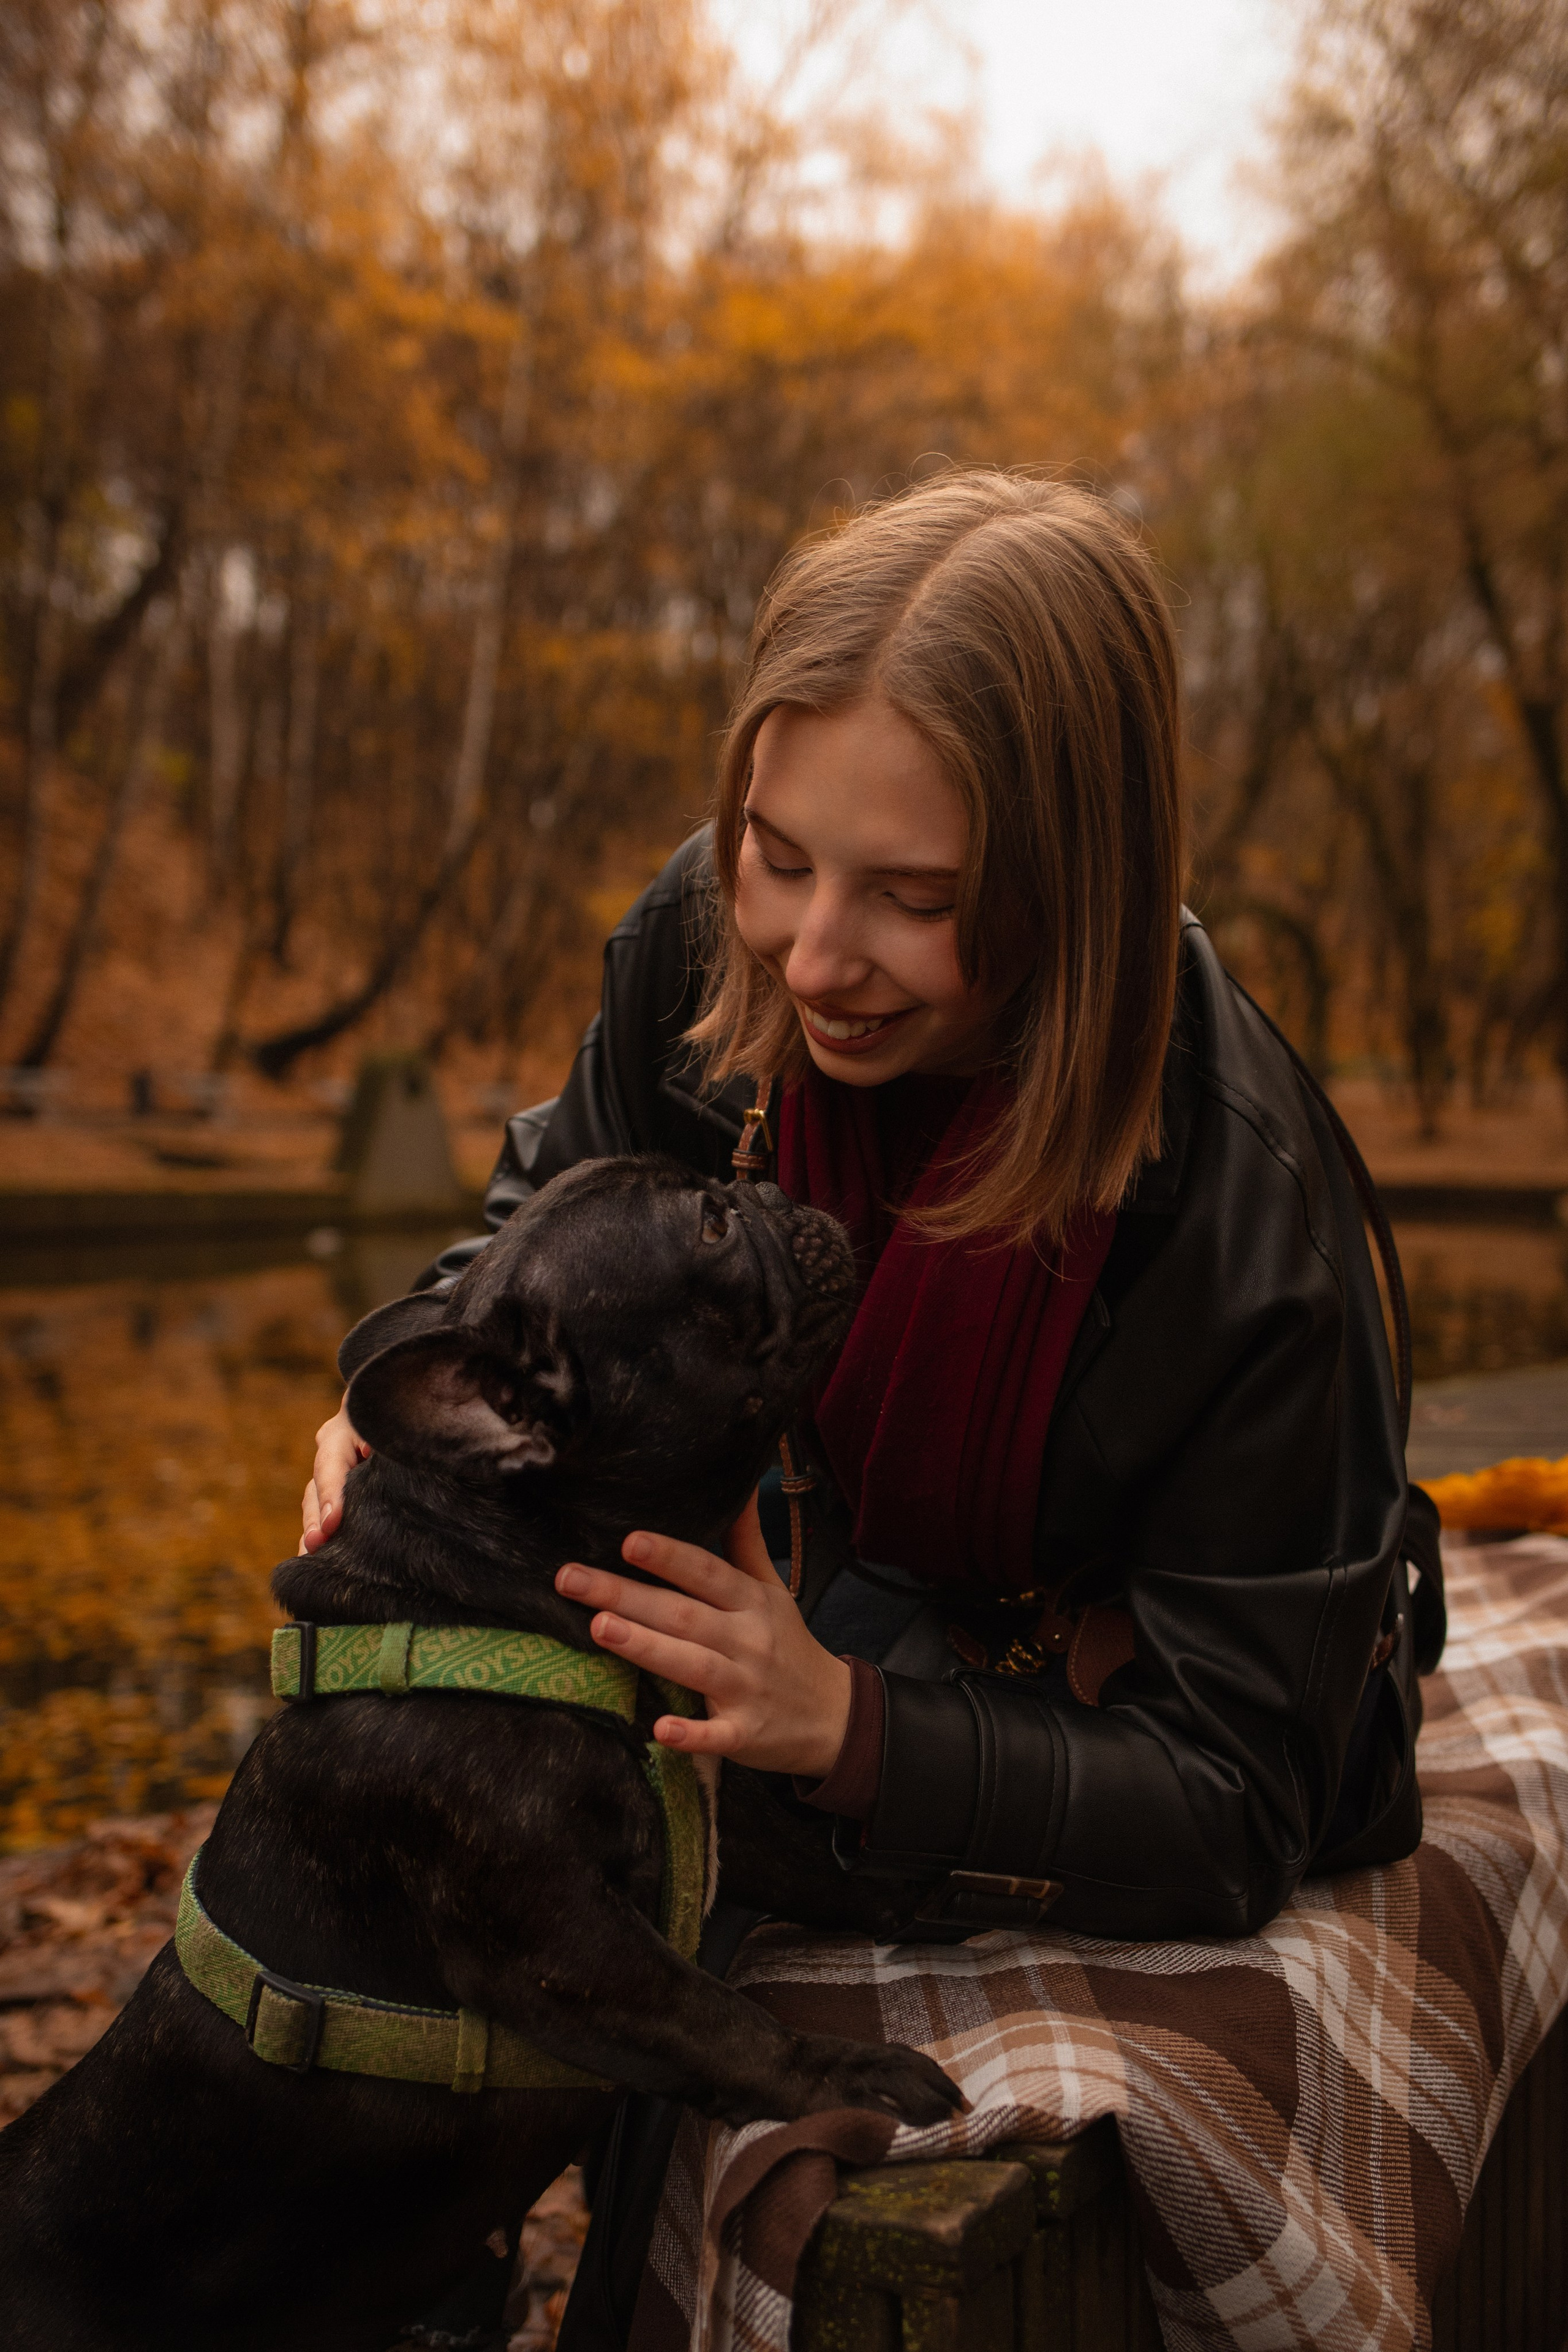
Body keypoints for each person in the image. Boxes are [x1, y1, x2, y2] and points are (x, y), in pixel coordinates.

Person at [300, 471, 1441, 2336]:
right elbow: (535, 1223)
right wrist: (401, 1398)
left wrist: (851, 1728)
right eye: (777, 855)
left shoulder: (1247, 1217)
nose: (812, 958)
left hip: (1097, 1725)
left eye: (917, 900)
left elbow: (1244, 1791)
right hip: (828, 1608)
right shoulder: (705, 933)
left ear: (1080, 890)